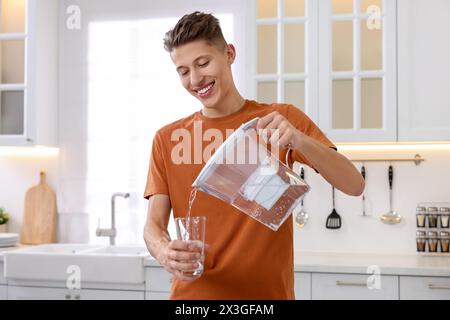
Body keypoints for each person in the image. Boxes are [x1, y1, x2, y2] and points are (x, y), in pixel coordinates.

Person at [143, 11, 364, 300]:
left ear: (229, 54)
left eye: (203, 63)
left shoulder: (279, 120)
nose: (195, 79)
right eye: (183, 71)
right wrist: (164, 252)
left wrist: (299, 139)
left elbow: (353, 184)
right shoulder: (167, 139)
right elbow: (153, 225)